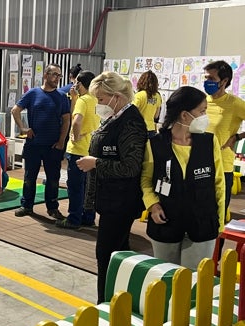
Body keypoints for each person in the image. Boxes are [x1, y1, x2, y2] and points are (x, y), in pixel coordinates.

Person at [76, 71, 147, 303]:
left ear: (117, 97)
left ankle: (105, 304)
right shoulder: (115, 117)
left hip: (121, 201)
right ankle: (116, 300)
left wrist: (95, 162)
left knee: (106, 254)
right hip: (110, 199)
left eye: (102, 99)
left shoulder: (131, 123)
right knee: (118, 251)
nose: (99, 104)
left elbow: (130, 167)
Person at [141, 86, 225, 270]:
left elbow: (218, 183)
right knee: (166, 278)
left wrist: (218, 223)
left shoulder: (209, 142)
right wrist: (152, 205)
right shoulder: (155, 144)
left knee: (194, 283)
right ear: (185, 115)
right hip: (166, 222)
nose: (205, 117)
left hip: (203, 223)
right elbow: (146, 180)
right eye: (202, 111)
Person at [11, 63, 71, 219]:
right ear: (45, 75)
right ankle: (26, 205)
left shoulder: (62, 97)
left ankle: (52, 208)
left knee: (53, 179)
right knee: (29, 177)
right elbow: (15, 110)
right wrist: (23, 129)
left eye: (59, 75)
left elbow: (66, 120)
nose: (57, 78)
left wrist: (61, 141)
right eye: (54, 74)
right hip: (34, 144)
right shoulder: (33, 93)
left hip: (53, 146)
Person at [56, 70, 99, 229]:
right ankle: (88, 216)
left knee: (75, 186)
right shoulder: (96, 100)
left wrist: (75, 135)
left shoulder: (84, 100)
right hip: (91, 150)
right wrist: (74, 98)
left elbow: (76, 121)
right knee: (89, 187)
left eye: (77, 83)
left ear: (81, 84)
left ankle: (73, 219)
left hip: (78, 150)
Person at [204, 60, 245, 221]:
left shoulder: (234, 103)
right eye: (206, 78)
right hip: (198, 164)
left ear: (224, 81)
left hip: (222, 165)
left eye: (211, 79)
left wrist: (237, 137)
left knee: (215, 215)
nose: (207, 82)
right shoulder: (202, 101)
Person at [133, 70, 162, 138]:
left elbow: (132, 112)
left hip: (138, 129)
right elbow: (156, 116)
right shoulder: (157, 96)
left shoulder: (139, 95)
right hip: (151, 129)